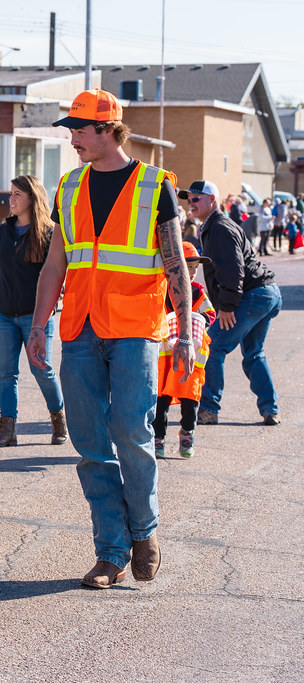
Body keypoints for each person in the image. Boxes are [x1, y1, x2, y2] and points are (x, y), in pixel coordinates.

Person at [26, 89, 193, 590]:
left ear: (107, 130)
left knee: (132, 434)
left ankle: (144, 532)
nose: (72, 137)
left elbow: (175, 262)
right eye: (71, 129)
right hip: (79, 328)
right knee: (92, 446)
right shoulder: (69, 186)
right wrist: (38, 326)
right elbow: (56, 262)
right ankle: (111, 552)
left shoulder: (154, 186)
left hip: (134, 330)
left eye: (79, 129)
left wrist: (184, 330)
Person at [183, 179, 282, 426]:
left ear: (211, 201)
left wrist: (227, 307)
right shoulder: (215, 226)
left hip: (254, 294)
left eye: (197, 198)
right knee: (254, 353)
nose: (191, 203)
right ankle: (270, 409)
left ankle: (208, 409)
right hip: (265, 293)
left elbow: (233, 270)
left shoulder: (218, 227)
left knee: (213, 345)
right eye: (188, 199)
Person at [0, 175, 67, 448]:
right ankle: (8, 429)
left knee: (42, 369)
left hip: (37, 317)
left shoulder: (48, 235)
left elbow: (56, 276)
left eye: (17, 194)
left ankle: (58, 419)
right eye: (11, 193)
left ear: (32, 198)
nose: (11, 199)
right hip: (4, 315)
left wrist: (45, 316)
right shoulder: (2, 232)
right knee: (7, 374)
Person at [153, 242, 216, 459]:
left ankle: (187, 433)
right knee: (160, 398)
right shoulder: (161, 288)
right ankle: (157, 438)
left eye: (195, 268)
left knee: (190, 397)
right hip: (164, 356)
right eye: (187, 267)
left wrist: (201, 319)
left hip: (191, 357)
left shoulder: (197, 291)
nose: (191, 272)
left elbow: (210, 313)